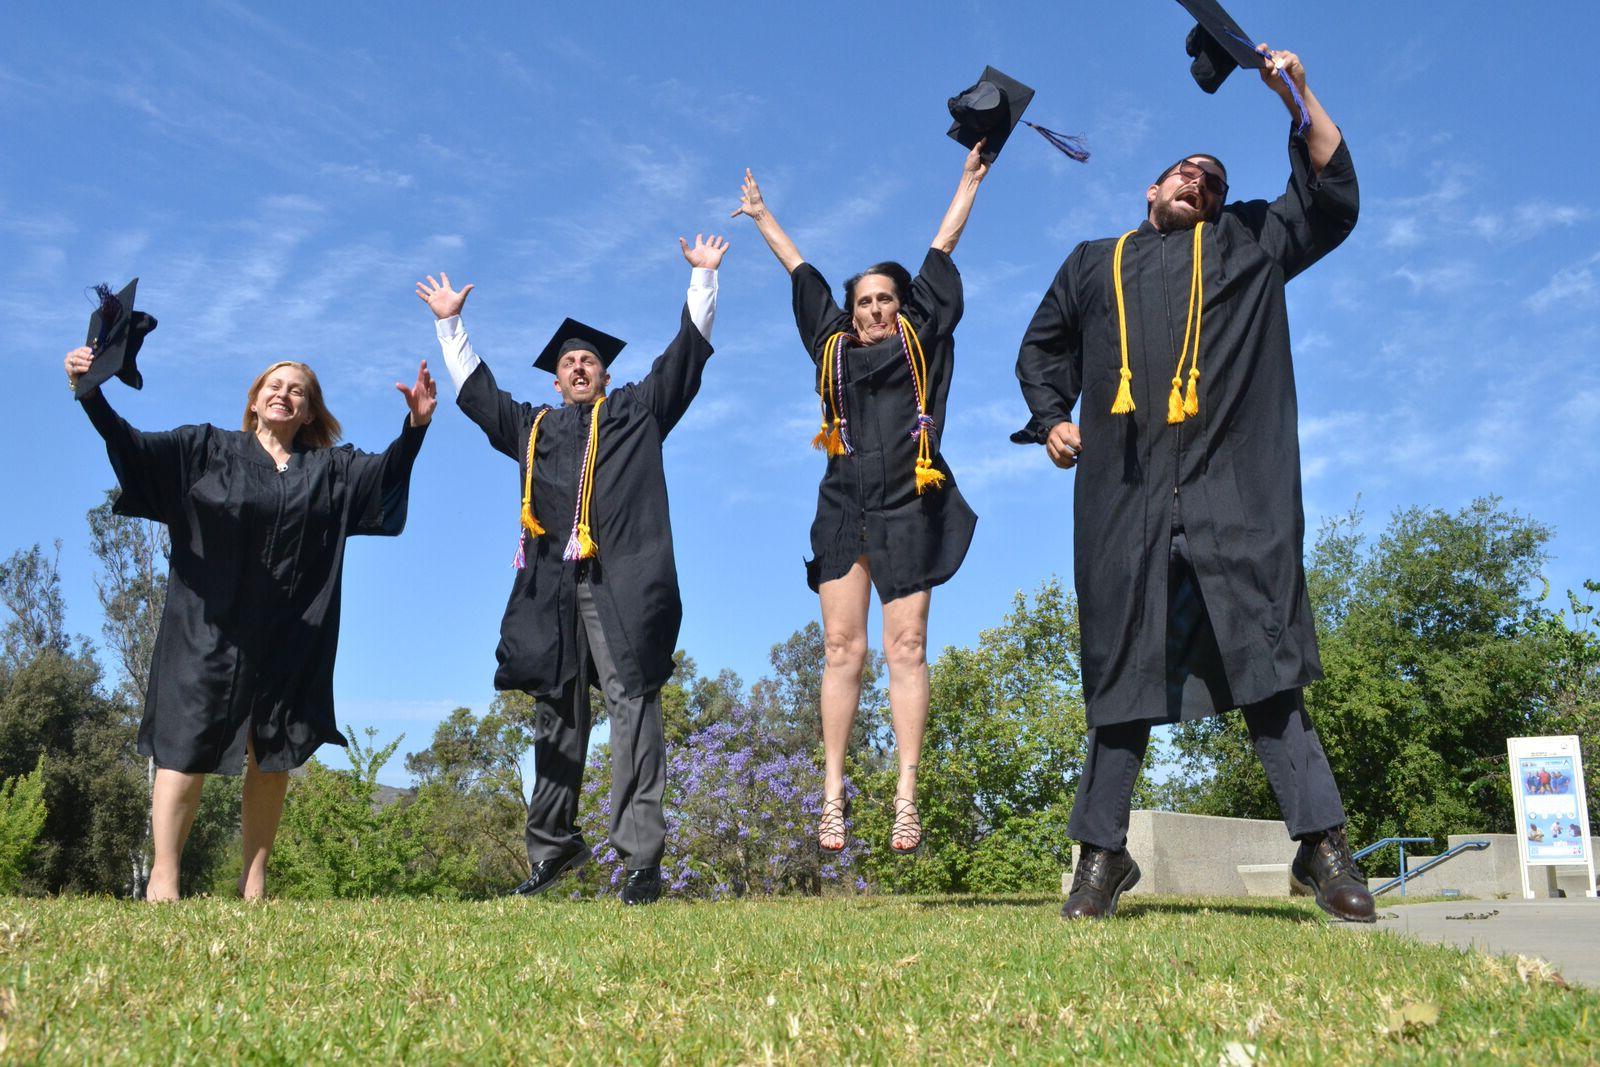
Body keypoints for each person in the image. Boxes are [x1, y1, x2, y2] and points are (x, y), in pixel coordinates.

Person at [1013, 45, 1375, 922]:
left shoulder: (1250, 242)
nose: (1200, 183)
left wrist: (1295, 93)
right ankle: (1101, 856)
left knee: (1267, 663)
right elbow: (1041, 348)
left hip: (1234, 492)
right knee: (1125, 672)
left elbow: (1331, 201)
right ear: (1150, 189)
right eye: (1184, 172)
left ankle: (1321, 849)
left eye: (1213, 178)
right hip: (1126, 499)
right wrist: (1056, 418)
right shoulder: (1092, 263)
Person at [64, 339, 434, 902]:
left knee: (272, 751)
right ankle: (164, 876)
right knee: (184, 748)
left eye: (298, 392)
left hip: (290, 633)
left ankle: (253, 880)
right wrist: (89, 394)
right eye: (275, 386)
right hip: (208, 628)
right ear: (255, 400)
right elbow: (132, 447)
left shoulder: (329, 468)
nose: (285, 394)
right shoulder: (206, 449)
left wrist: (414, 428)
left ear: (309, 412)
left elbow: (382, 478)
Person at [417, 234, 727, 905]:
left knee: (633, 708)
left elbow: (686, 359)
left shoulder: (635, 412)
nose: (580, 367)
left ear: (606, 375)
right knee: (555, 718)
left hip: (625, 586)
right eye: (569, 362)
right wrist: (450, 322)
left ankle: (641, 861)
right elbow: (477, 397)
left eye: (589, 360)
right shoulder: (533, 429)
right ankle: (554, 850)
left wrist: (702, 280)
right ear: (556, 379)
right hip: (550, 595)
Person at [732, 142, 990, 855]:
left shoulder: (922, 339)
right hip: (845, 504)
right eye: (864, 300)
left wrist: (967, 181)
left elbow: (942, 245)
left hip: (912, 499)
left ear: (901, 305)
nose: (875, 308)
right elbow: (801, 271)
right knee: (842, 647)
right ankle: (833, 795)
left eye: (885, 298)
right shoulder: (832, 348)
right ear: (851, 312)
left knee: (905, 645)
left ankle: (905, 797)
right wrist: (761, 216)